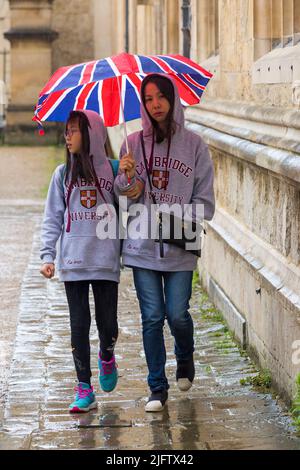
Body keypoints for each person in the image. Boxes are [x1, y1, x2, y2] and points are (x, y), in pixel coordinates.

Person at [115, 74, 215, 412]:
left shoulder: (195, 145)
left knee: (177, 315)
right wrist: (127, 177)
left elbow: (207, 204)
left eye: (161, 97)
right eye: (148, 99)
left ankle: (185, 357)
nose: (155, 104)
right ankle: (156, 388)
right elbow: (125, 199)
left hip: (179, 245)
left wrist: (173, 216)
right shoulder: (131, 143)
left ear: (172, 99)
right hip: (141, 247)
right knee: (152, 317)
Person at [40, 110, 128, 413]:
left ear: (91, 135)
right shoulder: (61, 174)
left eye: (74, 131)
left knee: (108, 325)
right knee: (78, 326)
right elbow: (52, 217)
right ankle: (84, 388)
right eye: (66, 131)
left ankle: (107, 355)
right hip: (73, 261)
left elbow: (132, 201)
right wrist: (47, 255)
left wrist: (128, 176)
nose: (68, 136)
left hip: (104, 261)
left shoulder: (113, 170)